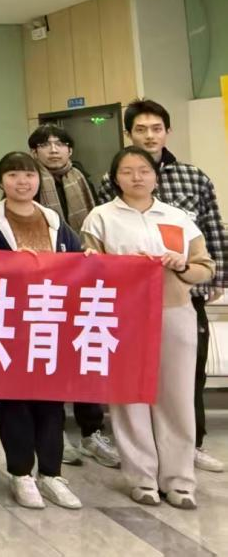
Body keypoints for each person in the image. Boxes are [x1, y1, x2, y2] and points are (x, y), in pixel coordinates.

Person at [97, 99, 227, 474]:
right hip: (129, 302)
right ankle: (143, 456)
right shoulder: (111, 181)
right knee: (134, 377)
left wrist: (217, 277)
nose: (150, 136)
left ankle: (189, 448)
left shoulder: (193, 176)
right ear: (129, 133)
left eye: (156, 128)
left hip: (181, 293)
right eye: (141, 129)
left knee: (186, 376)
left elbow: (212, 227)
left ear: (167, 131)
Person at [82, 146, 214, 508]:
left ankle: (179, 480)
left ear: (156, 176)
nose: (136, 177)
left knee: (177, 396)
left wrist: (181, 264)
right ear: (115, 178)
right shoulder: (100, 217)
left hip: (174, 311)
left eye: (143, 170)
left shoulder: (177, 217)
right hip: (122, 315)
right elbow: (89, 268)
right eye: (127, 171)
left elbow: (205, 267)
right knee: (129, 396)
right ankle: (141, 478)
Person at [0, 152, 84, 510]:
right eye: (14, 175)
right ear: (0, 181)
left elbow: (75, 261)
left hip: (49, 320)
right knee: (14, 400)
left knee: (51, 401)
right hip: (9, 323)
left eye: (29, 175)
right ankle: (21, 472)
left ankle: (51, 473)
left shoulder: (53, 220)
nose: (22, 182)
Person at [26, 124, 107, 466]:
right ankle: (55, 432)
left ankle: (92, 431)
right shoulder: (28, 184)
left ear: (70, 150)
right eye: (45, 145)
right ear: (35, 152)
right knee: (52, 360)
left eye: (60, 143)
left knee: (86, 355)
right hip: (46, 287)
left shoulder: (83, 180)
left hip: (84, 281)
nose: (54, 149)